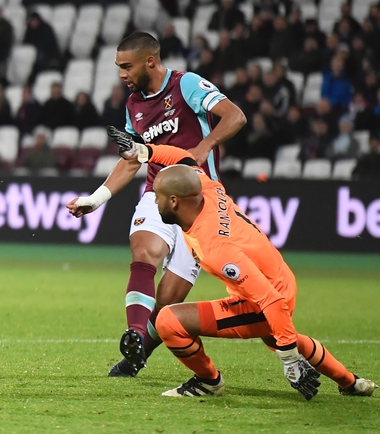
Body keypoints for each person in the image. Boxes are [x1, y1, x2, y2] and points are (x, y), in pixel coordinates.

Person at [108, 134, 377, 399]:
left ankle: (208, 382)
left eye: (158, 197)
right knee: (277, 336)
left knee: (168, 320)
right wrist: (145, 152)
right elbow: (184, 157)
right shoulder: (207, 187)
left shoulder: (216, 249)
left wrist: (289, 358)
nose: (155, 203)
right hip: (279, 279)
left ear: (175, 202)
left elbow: (270, 301)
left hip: (269, 299)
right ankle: (351, 383)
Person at [65, 32, 246, 378]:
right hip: (157, 192)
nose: (121, 74)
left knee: (168, 302)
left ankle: (136, 356)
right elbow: (132, 160)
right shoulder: (134, 105)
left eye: (126, 66)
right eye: (118, 67)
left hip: (201, 203)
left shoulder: (186, 85)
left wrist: (204, 147)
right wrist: (96, 199)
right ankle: (134, 332)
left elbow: (235, 116)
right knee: (145, 251)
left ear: (150, 61)